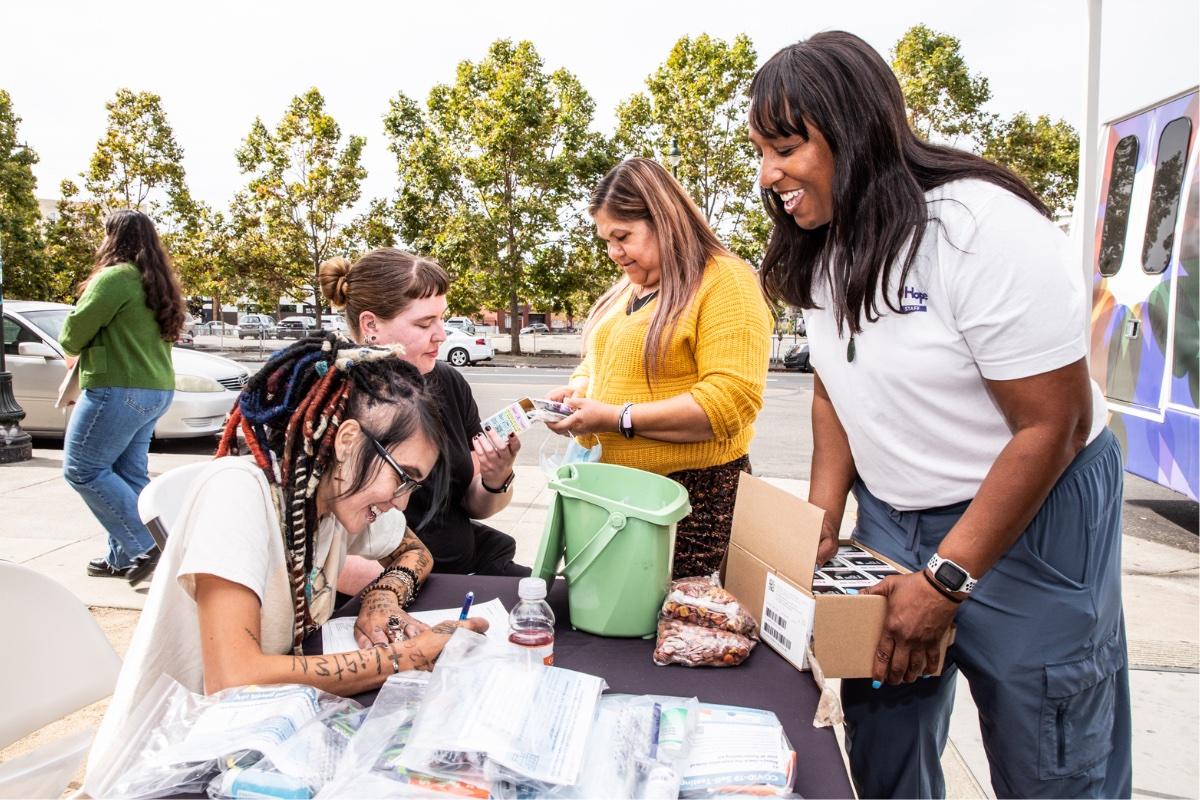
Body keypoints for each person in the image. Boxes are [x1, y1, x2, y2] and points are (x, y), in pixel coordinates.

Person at [748, 32, 1130, 799]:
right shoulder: (823, 242)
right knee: (883, 729)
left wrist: (948, 577)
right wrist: (825, 514)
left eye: (786, 147)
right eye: (760, 152)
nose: (769, 175)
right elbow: (834, 388)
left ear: (852, 130)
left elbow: (1050, 426)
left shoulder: (981, 229)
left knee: (1049, 753)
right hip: (894, 513)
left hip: (1032, 516)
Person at [84, 334, 487, 789]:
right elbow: (234, 677)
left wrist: (382, 595)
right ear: (349, 441)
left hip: (256, 743)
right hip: (164, 769)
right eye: (402, 479)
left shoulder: (329, 497)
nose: (399, 503)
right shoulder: (238, 492)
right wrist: (407, 656)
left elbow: (415, 552)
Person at [545, 157, 772, 578]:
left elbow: (728, 402)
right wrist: (577, 394)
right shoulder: (629, 290)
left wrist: (616, 418)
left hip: (693, 500)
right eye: (606, 240)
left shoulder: (725, 281)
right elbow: (598, 362)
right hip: (620, 495)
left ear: (664, 220)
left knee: (677, 628)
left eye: (623, 236)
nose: (613, 253)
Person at [319, 249, 529, 578]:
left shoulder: (448, 382)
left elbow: (474, 503)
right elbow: (315, 544)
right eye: (424, 323)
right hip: (388, 587)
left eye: (442, 318)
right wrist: (398, 587)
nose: (442, 334)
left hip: (471, 566)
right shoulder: (330, 399)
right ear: (370, 324)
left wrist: (495, 478)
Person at [59, 209, 186, 584]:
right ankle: (122, 557)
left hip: (118, 389)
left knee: (83, 469)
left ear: (112, 238)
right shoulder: (157, 282)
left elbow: (72, 334)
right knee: (126, 473)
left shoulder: (114, 278)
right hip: (155, 390)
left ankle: (147, 546)